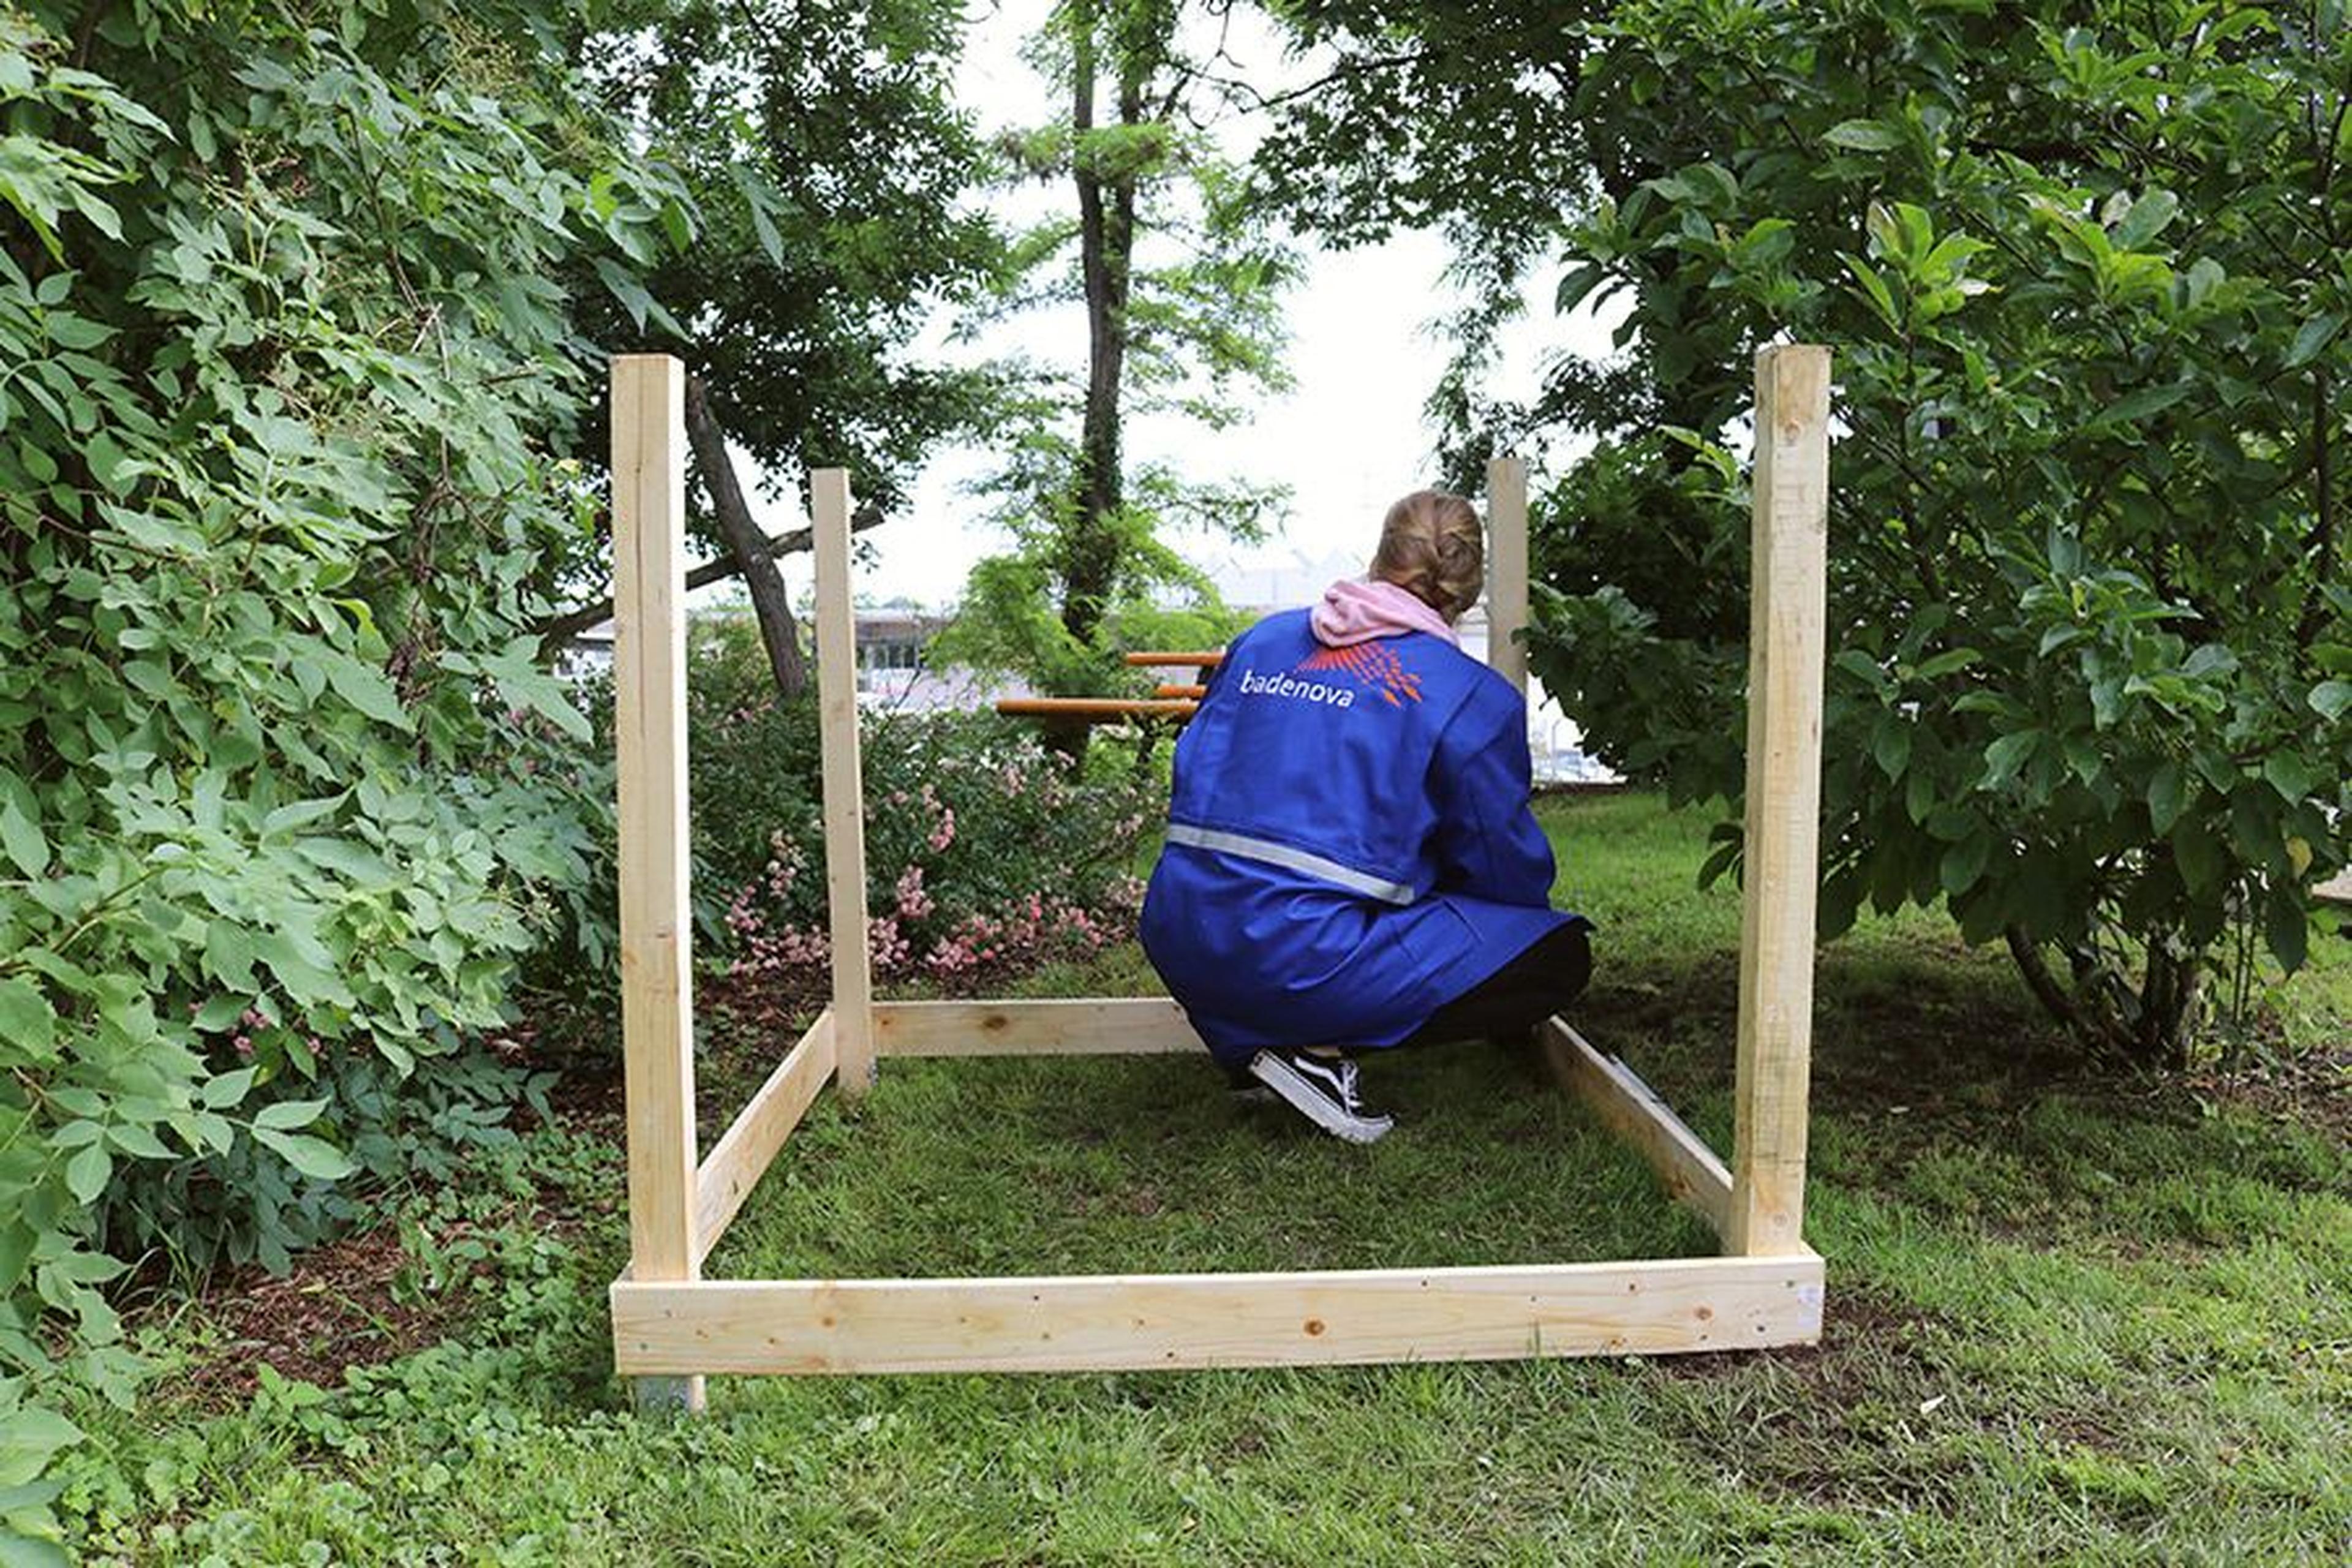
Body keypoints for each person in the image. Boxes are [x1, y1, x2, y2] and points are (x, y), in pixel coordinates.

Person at [1138, 490, 1593, 1144]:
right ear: (1466, 589)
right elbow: (1501, 866)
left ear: (1378, 556)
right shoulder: (1470, 694)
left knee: (1308, 901)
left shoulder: (1262, 641)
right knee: (1556, 954)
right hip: (1298, 959)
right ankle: (1309, 1050)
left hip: (1178, 928)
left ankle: (1251, 1035)